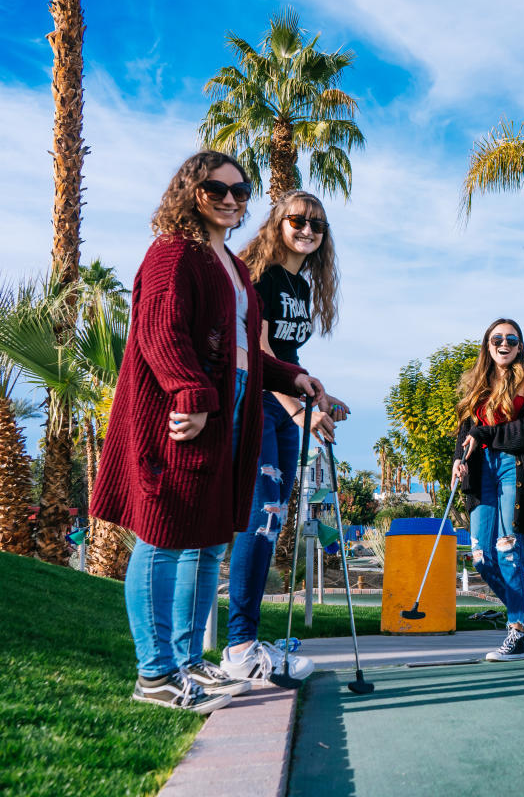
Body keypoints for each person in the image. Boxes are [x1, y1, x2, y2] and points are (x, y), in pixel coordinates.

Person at [91, 151, 324, 712]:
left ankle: (191, 659)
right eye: (216, 189)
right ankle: (155, 674)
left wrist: (294, 376)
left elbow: (244, 354)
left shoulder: (233, 267)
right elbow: (160, 332)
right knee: (164, 537)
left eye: (241, 191)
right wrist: (190, 394)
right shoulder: (175, 253)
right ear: (190, 191)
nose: (230, 199)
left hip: (232, 411)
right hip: (183, 411)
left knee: (207, 541)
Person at [221, 191, 350, 682]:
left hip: (284, 406)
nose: (307, 228)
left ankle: (246, 642)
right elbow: (257, 349)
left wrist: (316, 394)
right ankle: (239, 648)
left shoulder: (301, 284)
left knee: (270, 521)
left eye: (316, 223)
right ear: (279, 222)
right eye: (297, 219)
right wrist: (301, 411)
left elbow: (287, 356)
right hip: (258, 405)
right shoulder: (267, 277)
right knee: (262, 517)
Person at [453, 319, 524, 661]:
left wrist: (484, 436)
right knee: (481, 556)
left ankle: (517, 632)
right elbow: (467, 430)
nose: (504, 343)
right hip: (481, 471)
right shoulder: (477, 383)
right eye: (497, 338)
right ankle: (523, 617)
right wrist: (457, 459)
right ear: (488, 345)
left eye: (512, 339)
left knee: (508, 550)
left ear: (520, 346)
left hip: (513, 467)